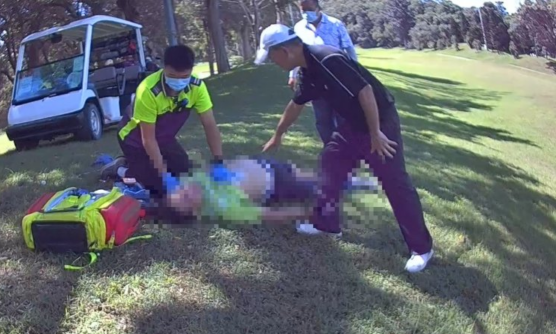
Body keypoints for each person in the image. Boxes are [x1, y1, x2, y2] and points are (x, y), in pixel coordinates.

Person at [254, 24, 434, 273]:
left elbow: (365, 91)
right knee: (330, 163)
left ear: (284, 51)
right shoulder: (307, 71)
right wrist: (278, 135)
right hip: (352, 125)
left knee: (395, 182)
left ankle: (422, 248)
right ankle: (326, 224)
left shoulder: (328, 59)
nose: (273, 63)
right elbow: (296, 104)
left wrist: (375, 133)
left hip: (380, 122)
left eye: (272, 57)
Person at [102, 44, 224, 220]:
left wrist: (219, 161)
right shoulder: (148, 90)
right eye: (173, 76)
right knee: (158, 189)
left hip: (164, 138)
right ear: (163, 68)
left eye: (184, 77)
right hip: (134, 139)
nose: (179, 82)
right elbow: (148, 140)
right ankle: (121, 169)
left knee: (185, 173)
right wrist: (165, 178)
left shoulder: (197, 87)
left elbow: (210, 125)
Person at [166, 156, 378, 225]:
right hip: (278, 185)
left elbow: (209, 166)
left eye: (181, 189)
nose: (187, 190)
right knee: (317, 187)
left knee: (310, 175)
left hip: (266, 164)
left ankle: (348, 178)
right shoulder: (224, 207)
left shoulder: (194, 180)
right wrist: (307, 213)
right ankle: (354, 184)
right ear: (196, 212)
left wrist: (217, 167)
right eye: (186, 198)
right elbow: (267, 214)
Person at [289, 0, 357, 146]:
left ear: (318, 7)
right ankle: (331, 149)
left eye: (309, 9)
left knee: (343, 117)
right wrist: (292, 75)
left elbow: (349, 49)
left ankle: (347, 148)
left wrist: (355, 72)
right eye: (303, 10)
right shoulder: (299, 28)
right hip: (314, 80)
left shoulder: (335, 24)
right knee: (323, 119)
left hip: (338, 79)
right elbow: (296, 54)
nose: (306, 13)